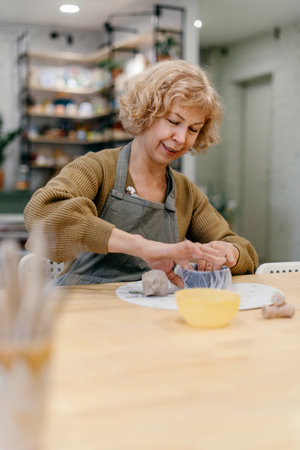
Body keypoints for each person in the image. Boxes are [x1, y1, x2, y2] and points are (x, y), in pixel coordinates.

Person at [24, 59, 258, 287]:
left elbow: (246, 252)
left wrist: (230, 252)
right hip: (83, 309)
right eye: (173, 121)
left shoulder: (186, 193)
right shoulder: (97, 169)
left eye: (193, 129)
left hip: (148, 315)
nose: (181, 138)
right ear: (146, 111)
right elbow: (42, 213)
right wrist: (141, 247)